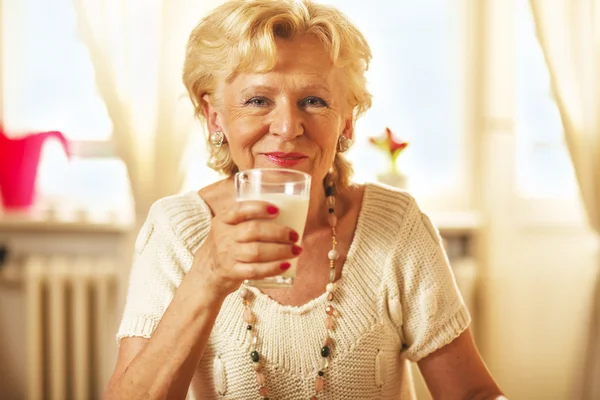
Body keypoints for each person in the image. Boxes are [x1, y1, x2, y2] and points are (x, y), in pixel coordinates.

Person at [105, 1, 506, 399]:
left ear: (346, 120)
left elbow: (473, 394)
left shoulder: (396, 225)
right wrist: (206, 277)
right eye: (257, 100)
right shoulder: (176, 230)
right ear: (215, 118)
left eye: (313, 101)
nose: (287, 127)